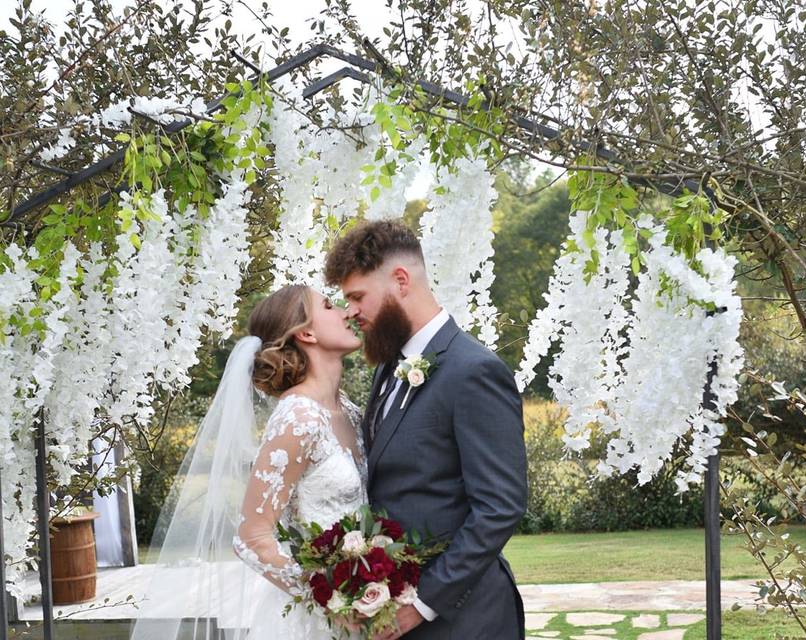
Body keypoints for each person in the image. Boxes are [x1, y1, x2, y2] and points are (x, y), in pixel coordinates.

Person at [324, 219, 527, 640]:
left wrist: (422, 603)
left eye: (358, 296)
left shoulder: (475, 371)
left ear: (401, 280)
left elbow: (499, 507)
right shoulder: (387, 368)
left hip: (466, 618)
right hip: (396, 611)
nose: (351, 312)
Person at [130, 285, 367, 640]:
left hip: (366, 607)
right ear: (306, 332)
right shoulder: (299, 417)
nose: (347, 312)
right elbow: (251, 538)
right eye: (331, 306)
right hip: (314, 621)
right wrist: (329, 599)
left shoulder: (349, 410)